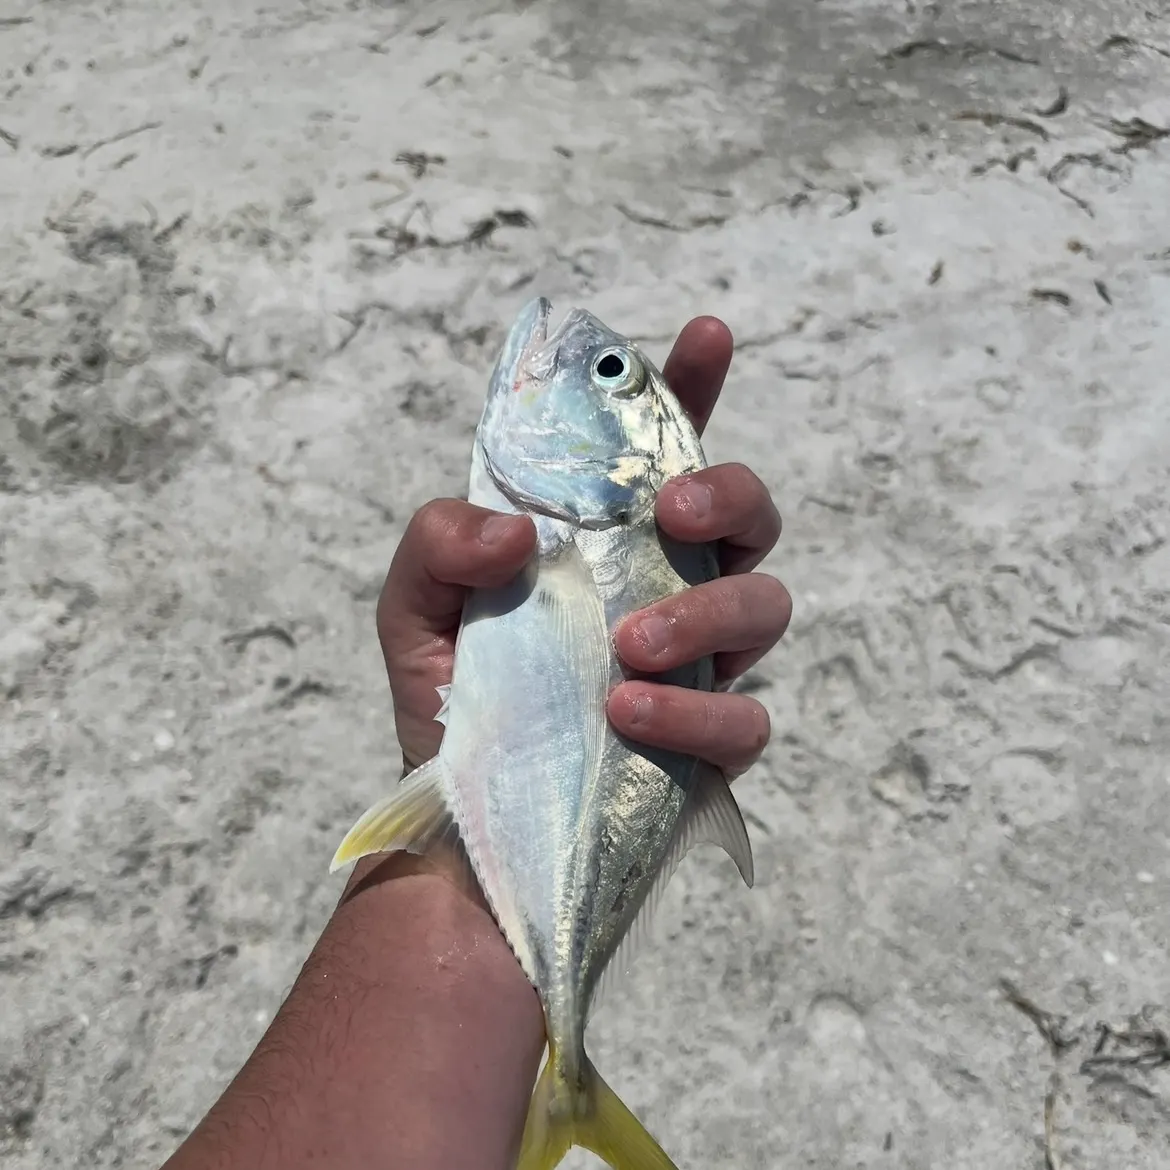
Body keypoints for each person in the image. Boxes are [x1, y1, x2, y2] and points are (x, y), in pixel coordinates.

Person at [161, 317, 792, 1170]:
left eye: (603, 371)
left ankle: (566, 1075)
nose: (568, 347)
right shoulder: (563, 518)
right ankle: (568, 1076)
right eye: (616, 369)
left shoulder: (603, 513)